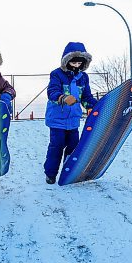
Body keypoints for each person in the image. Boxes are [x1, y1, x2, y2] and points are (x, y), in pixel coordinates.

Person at [43, 42, 98, 184]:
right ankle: (50, 174)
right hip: (57, 119)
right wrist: (63, 98)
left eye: (80, 62)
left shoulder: (83, 78)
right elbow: (52, 91)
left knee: (74, 147)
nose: (76, 64)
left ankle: (69, 171)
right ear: (67, 60)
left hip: (73, 120)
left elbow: (86, 96)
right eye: (73, 61)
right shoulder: (57, 74)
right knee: (57, 146)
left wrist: (93, 106)